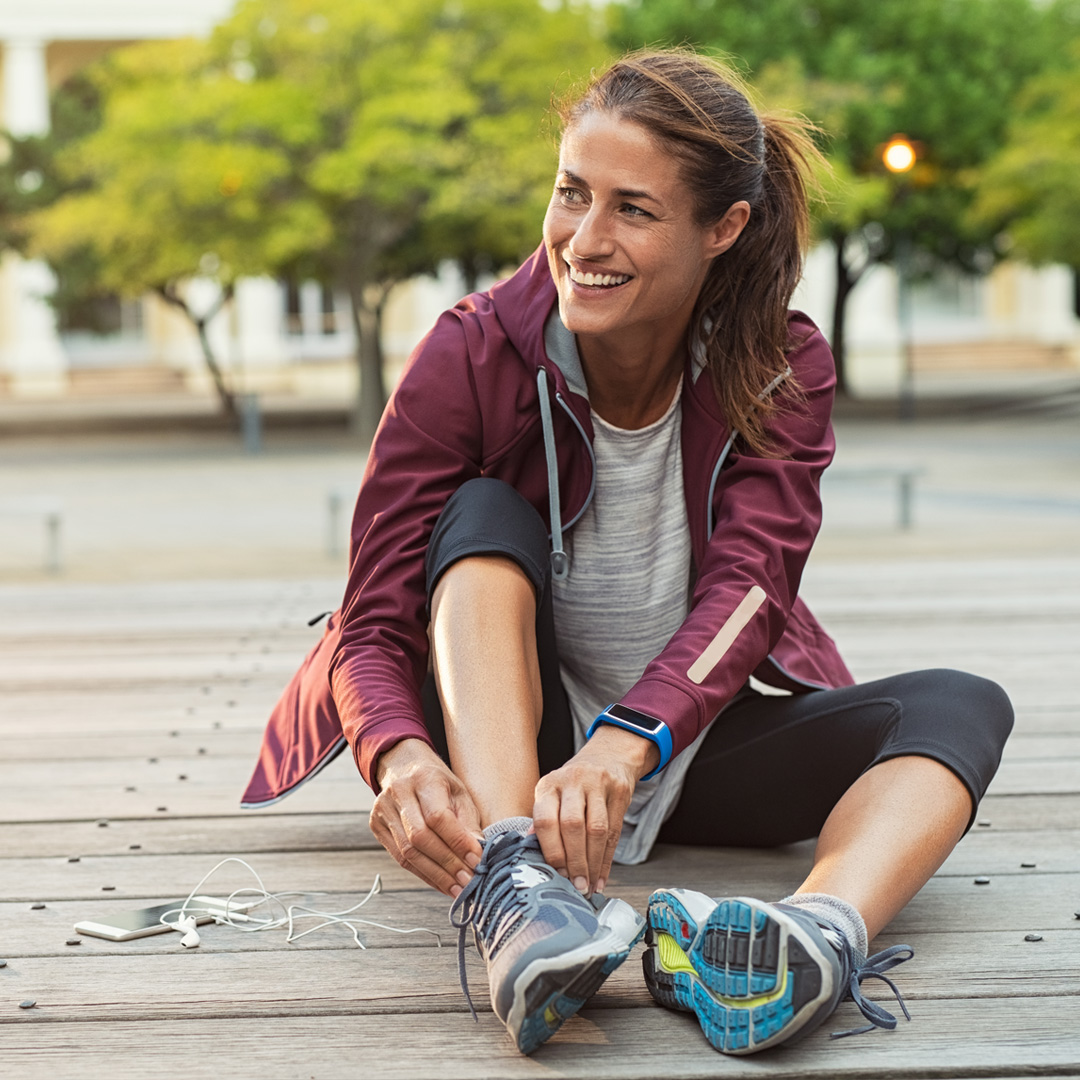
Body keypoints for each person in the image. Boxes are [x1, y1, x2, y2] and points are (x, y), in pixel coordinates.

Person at [242, 49, 1014, 1057]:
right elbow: (374, 616)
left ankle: (816, 936)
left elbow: (752, 589)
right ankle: (518, 892)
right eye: (572, 195)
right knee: (478, 516)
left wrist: (630, 740)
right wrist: (398, 752)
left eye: (633, 210)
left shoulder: (780, 363)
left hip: (678, 742)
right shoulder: (470, 353)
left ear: (722, 228)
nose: (584, 240)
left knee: (962, 705)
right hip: (512, 751)